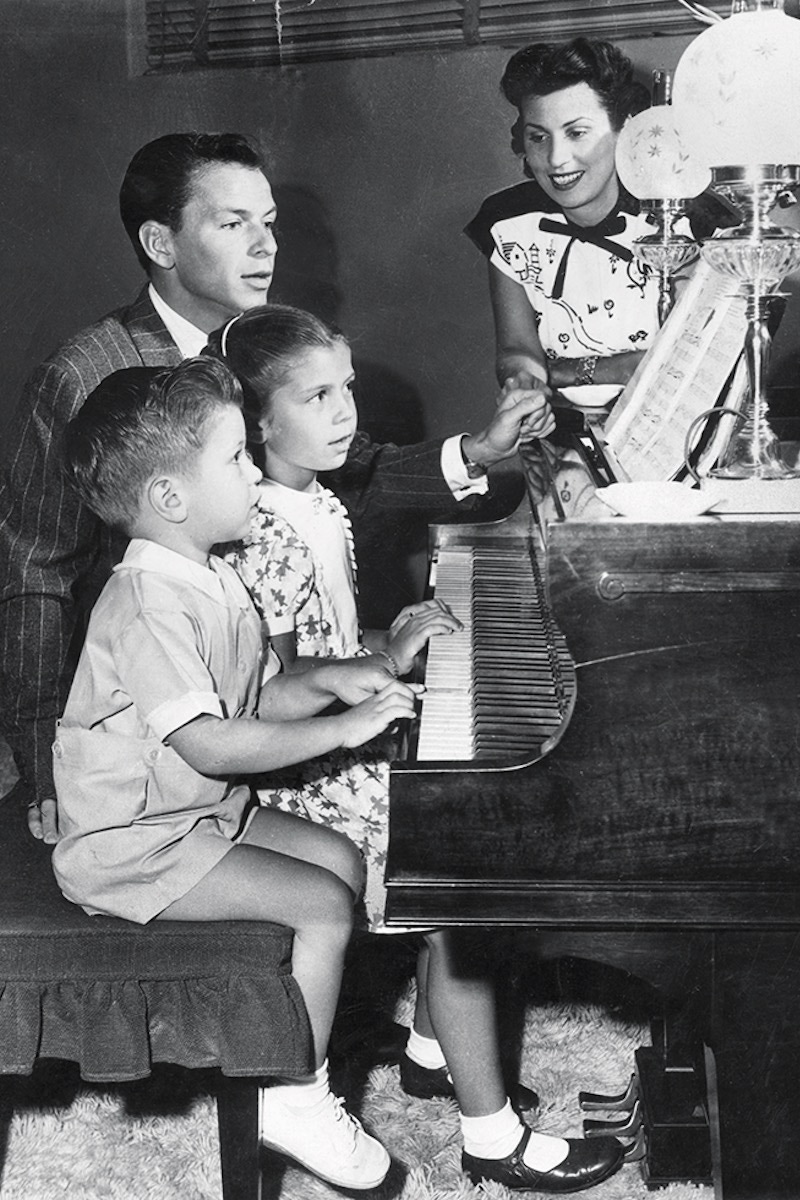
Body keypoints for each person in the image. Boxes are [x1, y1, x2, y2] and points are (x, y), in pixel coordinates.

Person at [0, 129, 554, 845]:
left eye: (269, 224)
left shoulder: (265, 340)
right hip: (163, 737)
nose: (266, 247)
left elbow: (352, 471)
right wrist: (43, 759)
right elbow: (34, 573)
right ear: (160, 244)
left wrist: (479, 451)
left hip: (281, 698)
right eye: (233, 224)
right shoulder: (87, 372)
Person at [212, 304, 625, 1195]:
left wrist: (380, 638)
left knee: (470, 802)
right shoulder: (262, 528)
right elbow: (272, 682)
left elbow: (316, 637)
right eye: (317, 397)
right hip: (297, 777)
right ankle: (491, 1137)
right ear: (256, 422)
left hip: (331, 746)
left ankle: (436, 1051)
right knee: (462, 879)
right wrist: (385, 657)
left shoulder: (315, 499)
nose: (345, 412)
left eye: (346, 389)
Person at [50, 354, 427, 1191]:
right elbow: (214, 744)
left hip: (201, 814)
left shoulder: (213, 576)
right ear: (170, 500)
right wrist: (355, 725)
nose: (255, 470)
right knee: (323, 906)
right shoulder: (147, 602)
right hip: (133, 843)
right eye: (235, 458)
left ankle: (300, 1030)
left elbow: (261, 695)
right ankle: (294, 1091)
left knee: (341, 858)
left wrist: (333, 682)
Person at [465, 38, 662, 395]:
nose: (557, 159)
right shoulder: (508, 223)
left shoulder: (679, 223)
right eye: (538, 137)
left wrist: (560, 371)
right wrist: (524, 381)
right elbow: (517, 350)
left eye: (577, 133)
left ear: (624, 129)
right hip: (559, 437)